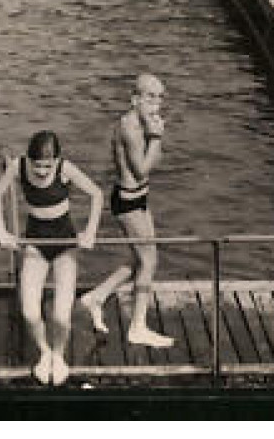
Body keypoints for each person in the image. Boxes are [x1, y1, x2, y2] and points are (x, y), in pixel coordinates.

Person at [0, 131, 103, 386]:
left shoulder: (66, 169)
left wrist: (91, 232)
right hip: (36, 244)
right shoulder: (18, 166)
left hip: (65, 245)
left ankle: (60, 355)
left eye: (47, 166)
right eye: (37, 165)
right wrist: (1, 232)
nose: (41, 171)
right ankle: (44, 352)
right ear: (28, 160)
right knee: (30, 312)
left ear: (57, 161)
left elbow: (97, 194)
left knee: (61, 317)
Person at [78, 74, 175, 349]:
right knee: (149, 261)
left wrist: (156, 136)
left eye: (160, 97)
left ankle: (96, 297)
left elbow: (156, 161)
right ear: (135, 99)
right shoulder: (130, 127)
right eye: (149, 97)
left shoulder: (143, 123)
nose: (156, 103)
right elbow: (142, 169)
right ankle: (137, 327)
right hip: (128, 201)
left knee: (139, 258)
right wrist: (156, 136)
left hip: (140, 197)